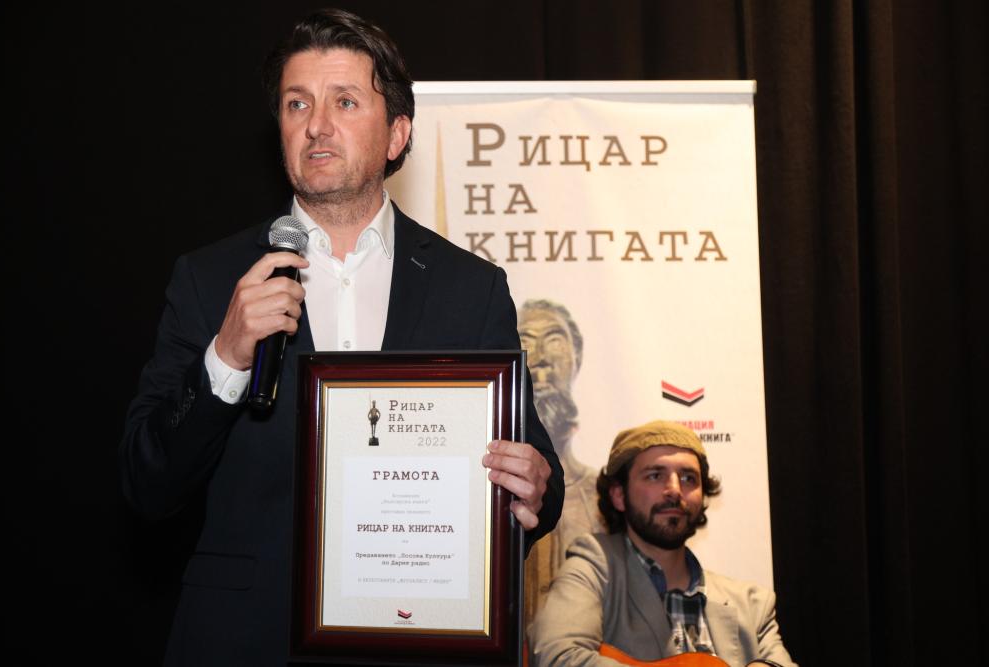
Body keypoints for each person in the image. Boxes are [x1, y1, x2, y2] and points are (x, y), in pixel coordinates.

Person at [119, 9, 563, 665]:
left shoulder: (470, 287)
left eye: (345, 101)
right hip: (247, 641)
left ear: (397, 135)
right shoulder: (210, 280)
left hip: (417, 641)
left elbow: (536, 473)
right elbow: (146, 482)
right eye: (297, 103)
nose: (316, 125)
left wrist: (536, 487)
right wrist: (226, 357)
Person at [529, 421, 796, 667]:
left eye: (688, 478)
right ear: (619, 495)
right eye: (655, 475)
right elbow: (557, 656)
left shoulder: (752, 604)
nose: (675, 490)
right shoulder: (594, 569)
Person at [518, 299, 603, 624]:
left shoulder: (606, 497)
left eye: (554, 341)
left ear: (577, 359)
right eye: (526, 342)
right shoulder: (487, 497)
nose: (541, 359)